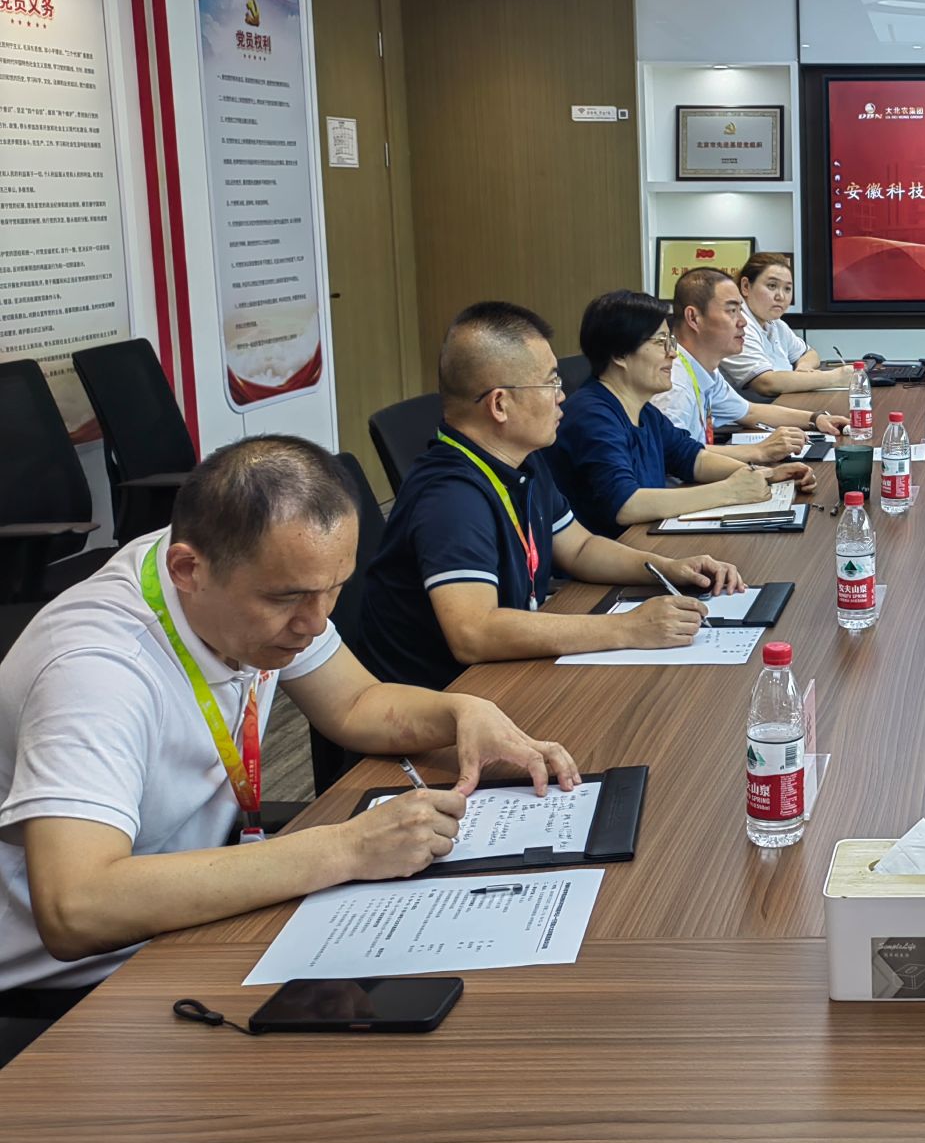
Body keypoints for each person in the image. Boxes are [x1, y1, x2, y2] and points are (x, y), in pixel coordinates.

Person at [0, 435, 578, 1047]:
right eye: (289, 598)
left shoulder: (247, 576)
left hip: (193, 921)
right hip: (80, 983)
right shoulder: (94, 671)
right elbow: (76, 909)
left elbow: (353, 704)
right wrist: (346, 849)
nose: (316, 623)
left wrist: (462, 712)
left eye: (334, 589)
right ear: (187, 570)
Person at [358, 301, 743, 693]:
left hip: (506, 675)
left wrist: (669, 569)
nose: (562, 397)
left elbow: (580, 548)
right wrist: (627, 628)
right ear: (500, 404)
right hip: (450, 695)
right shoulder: (451, 497)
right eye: (551, 384)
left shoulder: (523, 461)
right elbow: (473, 632)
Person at [549, 290, 816, 537]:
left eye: (671, 342)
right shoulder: (592, 415)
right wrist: (729, 492)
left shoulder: (644, 411)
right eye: (661, 342)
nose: (672, 354)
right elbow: (625, 504)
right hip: (612, 556)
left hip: (642, 540)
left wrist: (763, 474)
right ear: (619, 354)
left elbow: (692, 458)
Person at [655, 267, 848, 460]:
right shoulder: (674, 385)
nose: (743, 322)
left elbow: (749, 412)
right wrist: (760, 451)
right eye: (732, 311)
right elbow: (672, 455)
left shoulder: (703, 370)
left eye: (740, 310)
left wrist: (816, 419)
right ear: (693, 318)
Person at [724, 252, 853, 396]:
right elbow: (766, 383)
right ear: (746, 286)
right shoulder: (738, 326)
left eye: (787, 289)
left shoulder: (775, 324)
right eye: (772, 286)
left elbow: (809, 353)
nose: (781, 296)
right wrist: (835, 378)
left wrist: (803, 368)